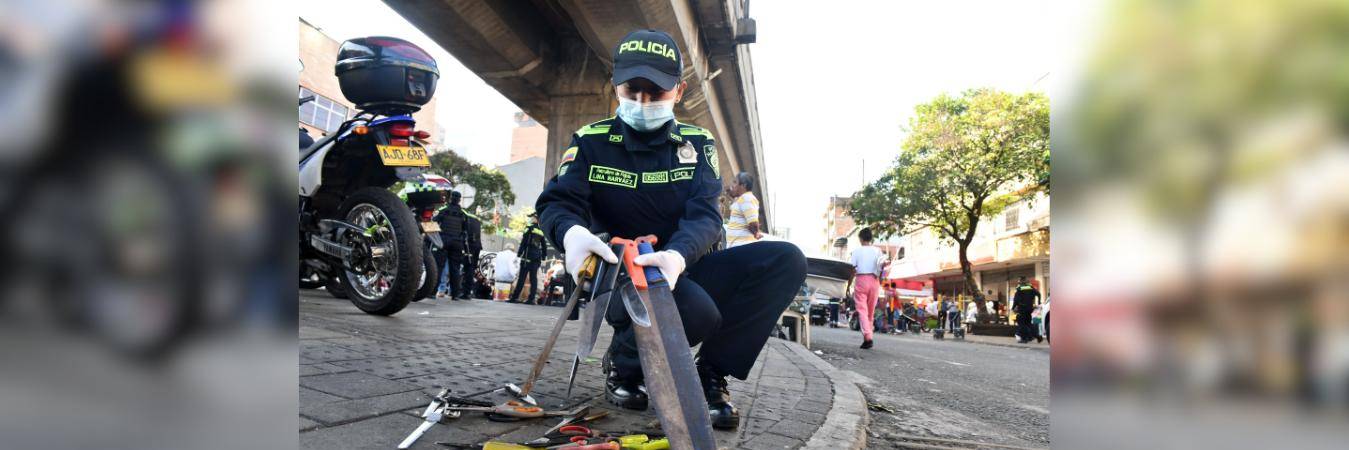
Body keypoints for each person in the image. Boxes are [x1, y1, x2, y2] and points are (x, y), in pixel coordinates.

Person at [534, 29, 806, 431]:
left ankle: (710, 374)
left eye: (656, 92)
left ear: (679, 91)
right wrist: (571, 235)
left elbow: (705, 215)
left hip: (680, 265)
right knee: (695, 313)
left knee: (785, 260)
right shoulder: (591, 142)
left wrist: (677, 256)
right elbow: (557, 203)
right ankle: (624, 364)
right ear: (615, 84)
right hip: (622, 275)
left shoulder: (697, 145)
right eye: (632, 90)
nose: (643, 102)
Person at [849, 228, 883, 349]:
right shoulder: (878, 251)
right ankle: (868, 338)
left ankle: (868, 337)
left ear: (860, 238)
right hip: (874, 280)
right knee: (870, 312)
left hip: (861, 280)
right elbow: (881, 267)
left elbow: (852, 269)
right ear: (871, 238)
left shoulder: (856, 251)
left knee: (862, 310)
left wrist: (848, 284)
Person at [434, 191, 468, 300]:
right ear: (459, 200)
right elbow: (466, 230)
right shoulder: (463, 214)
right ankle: (455, 295)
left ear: (450, 198)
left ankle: (433, 292)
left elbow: (434, 222)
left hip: (444, 241)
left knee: (439, 266)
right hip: (457, 243)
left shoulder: (443, 210)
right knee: (455, 269)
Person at [510, 213, 547, 303]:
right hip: (536, 258)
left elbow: (524, 242)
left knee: (521, 278)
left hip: (527, 257)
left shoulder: (529, 227)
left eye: (532, 218)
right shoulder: (541, 230)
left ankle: (514, 298)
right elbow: (544, 246)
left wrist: (519, 254)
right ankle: (531, 299)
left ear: (536, 219)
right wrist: (543, 257)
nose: (531, 219)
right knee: (533, 279)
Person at [724, 172, 761, 248]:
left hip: (742, 246)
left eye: (735, 182)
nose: (732, 185)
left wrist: (756, 233)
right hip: (738, 247)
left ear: (743, 185)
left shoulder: (747, 198)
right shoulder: (742, 199)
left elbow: (753, 223)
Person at [1012, 276, 1043, 343]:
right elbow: (1038, 294)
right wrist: (1039, 302)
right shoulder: (1031, 288)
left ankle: (1025, 339)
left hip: (1022, 309)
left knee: (1022, 324)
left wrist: (1013, 308)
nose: (1019, 282)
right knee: (1028, 324)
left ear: (1021, 281)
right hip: (1029, 308)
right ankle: (1037, 336)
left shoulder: (1019, 289)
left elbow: (1016, 300)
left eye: (1019, 281)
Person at [460, 210, 483, 300]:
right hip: (477, 246)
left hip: (469, 245)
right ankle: (468, 291)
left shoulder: (464, 216)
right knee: (471, 268)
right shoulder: (475, 219)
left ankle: (465, 292)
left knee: (468, 269)